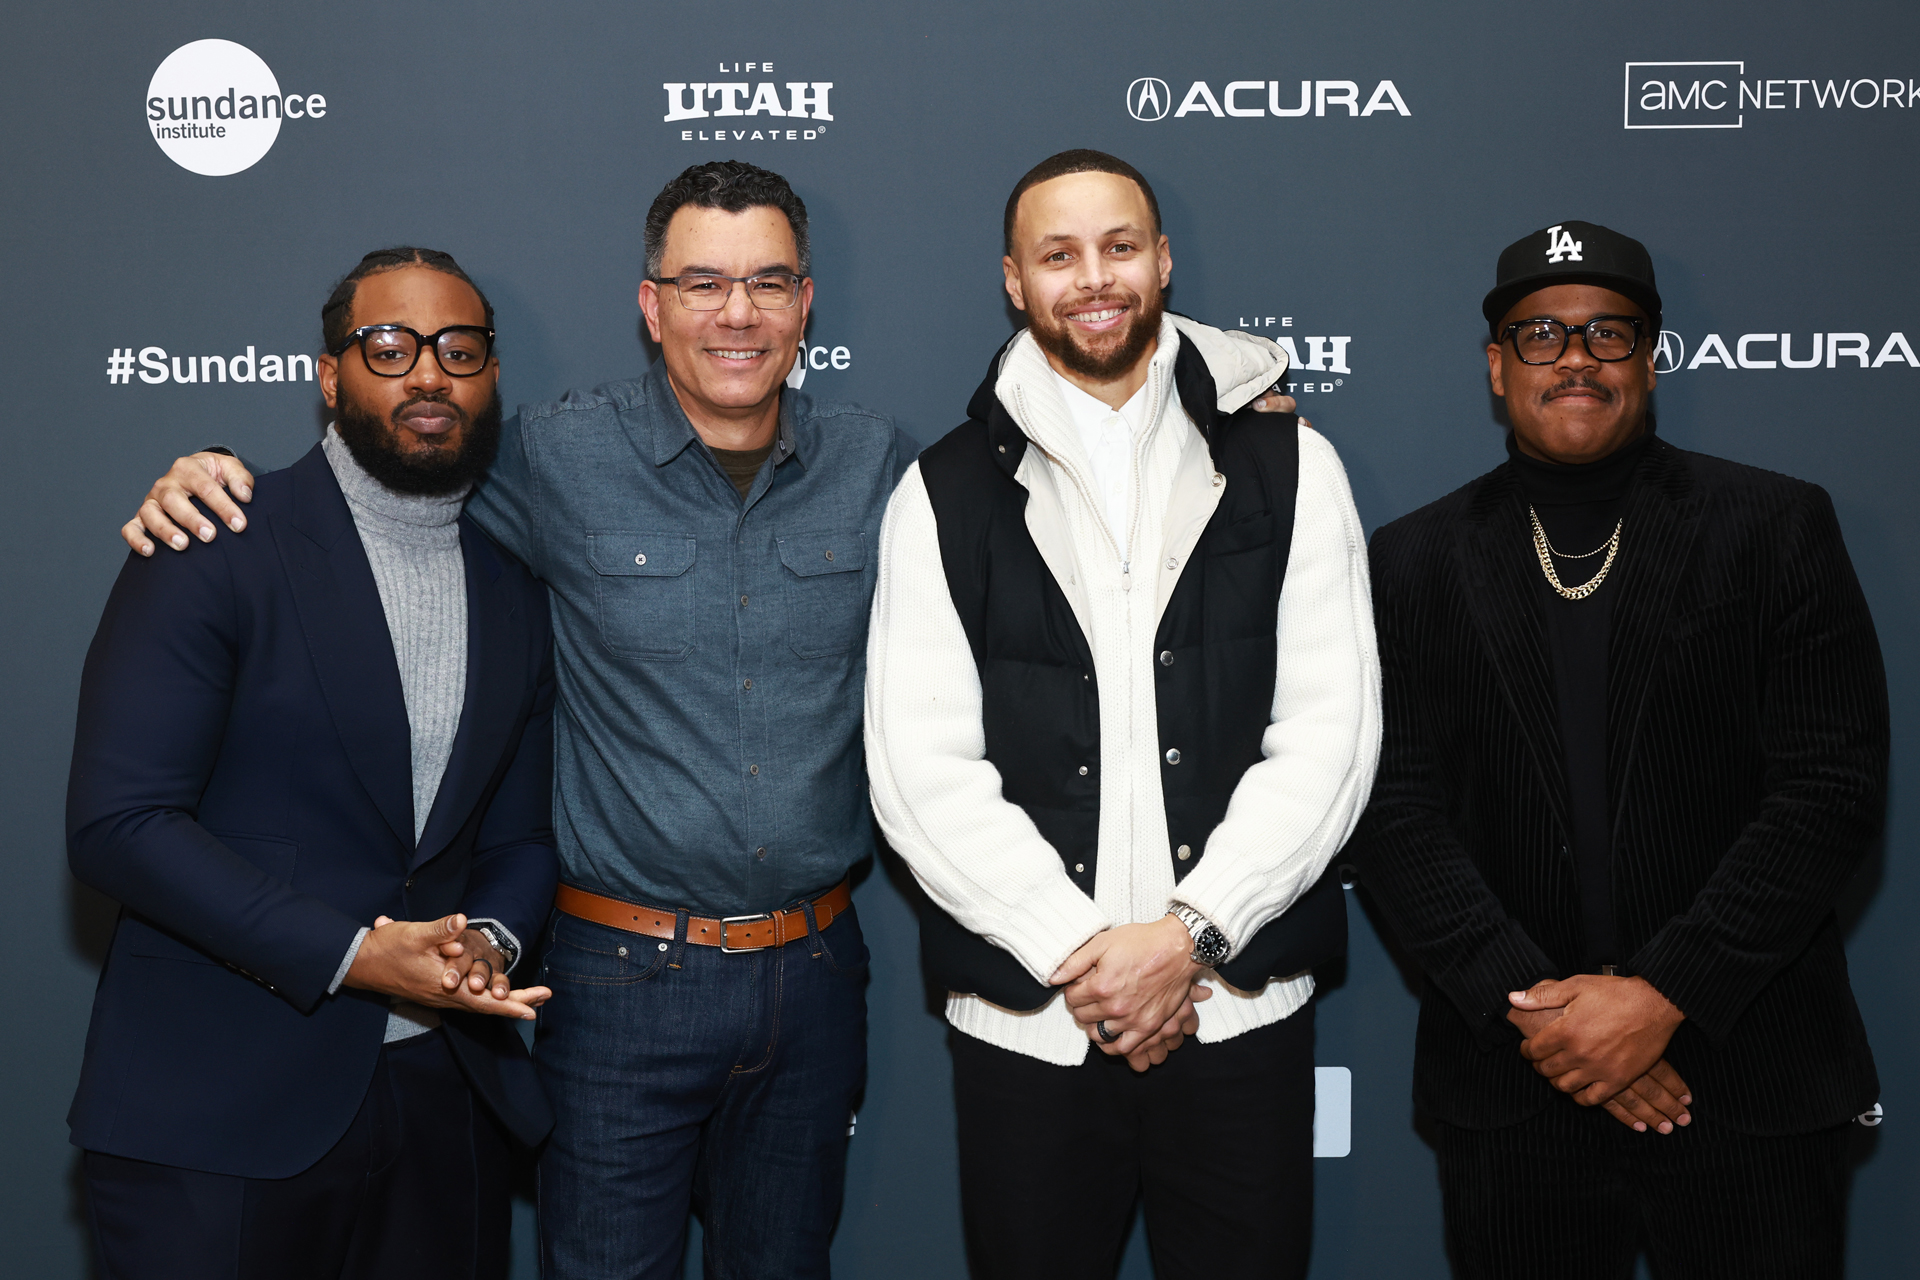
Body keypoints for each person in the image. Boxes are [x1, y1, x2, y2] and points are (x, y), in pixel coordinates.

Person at [864, 149, 1381, 1279]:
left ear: (1164, 259)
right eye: (1059, 254)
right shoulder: (941, 492)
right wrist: (1086, 957)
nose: (1093, 278)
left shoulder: (1293, 463)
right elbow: (919, 766)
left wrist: (1187, 935)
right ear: (1014, 280)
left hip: (1236, 1011)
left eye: (1119, 246)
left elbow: (1332, 737)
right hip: (1034, 1023)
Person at [1350, 220, 1885, 1279]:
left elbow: (1831, 788)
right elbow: (1394, 807)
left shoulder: (1774, 525)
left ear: (1649, 357)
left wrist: (1662, 997)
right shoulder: (1413, 558)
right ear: (1497, 367)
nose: (1577, 356)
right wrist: (1550, 1021)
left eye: (1609, 331)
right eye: (1541, 332)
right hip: (1517, 1095)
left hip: (1744, 1078)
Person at [68, 247, 559, 1279]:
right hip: (216, 1112)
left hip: (441, 1109)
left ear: (491, 376)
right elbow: (121, 822)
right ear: (330, 377)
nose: (429, 373)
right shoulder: (213, 535)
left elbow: (516, 836)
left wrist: (489, 941)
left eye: (458, 349)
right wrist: (353, 951)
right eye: (390, 346)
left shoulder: (513, 589)